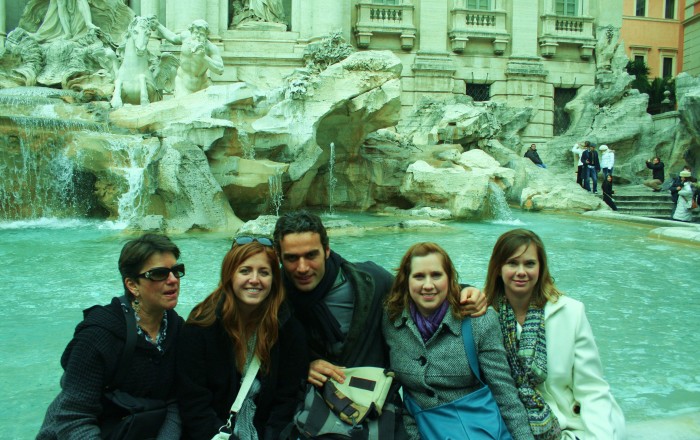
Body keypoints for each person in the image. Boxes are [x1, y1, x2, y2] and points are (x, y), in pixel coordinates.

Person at [272, 211, 487, 438]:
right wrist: (302, 366)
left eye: (311, 255)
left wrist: (463, 291)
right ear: (279, 256)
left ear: (326, 250)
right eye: (292, 258)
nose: (302, 267)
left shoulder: (369, 281)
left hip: (376, 409)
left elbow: (419, 295)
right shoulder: (273, 300)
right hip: (311, 413)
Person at [37, 234, 184, 438]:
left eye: (176, 271)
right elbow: (72, 417)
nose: (173, 280)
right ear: (132, 285)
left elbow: (175, 401)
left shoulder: (177, 329)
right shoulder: (98, 335)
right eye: (159, 274)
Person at [382, 242, 534, 440]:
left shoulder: (479, 321)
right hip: (419, 430)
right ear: (406, 281)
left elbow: (504, 392)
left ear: (449, 279)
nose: (428, 285)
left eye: (436, 275)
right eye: (419, 276)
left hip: (475, 430)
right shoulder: (391, 320)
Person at [484, 229, 625, 439]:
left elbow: (592, 388)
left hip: (574, 424)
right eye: (512, 263)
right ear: (498, 268)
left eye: (529, 264)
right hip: (513, 427)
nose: (521, 271)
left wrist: (600, 435)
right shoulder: (485, 317)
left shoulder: (571, 312)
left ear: (541, 268)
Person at [177, 236, 308, 439]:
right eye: (245, 271)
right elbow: (194, 403)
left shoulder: (288, 328)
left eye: (264, 272)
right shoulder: (200, 327)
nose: (254, 279)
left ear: (274, 280)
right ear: (230, 275)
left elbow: (286, 401)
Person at [156, 19, 225, 98]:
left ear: (206, 36)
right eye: (195, 33)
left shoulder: (211, 48)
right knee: (183, 103)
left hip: (203, 85)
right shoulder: (185, 37)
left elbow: (220, 69)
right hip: (183, 84)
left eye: (202, 34)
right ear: (191, 32)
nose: (198, 36)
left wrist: (204, 57)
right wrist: (158, 25)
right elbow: (172, 38)